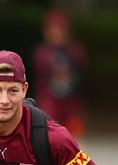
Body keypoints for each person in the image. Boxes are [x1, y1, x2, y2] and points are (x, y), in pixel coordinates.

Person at [32, 9, 87, 137]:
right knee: (50, 136)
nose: (57, 34)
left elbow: (82, 74)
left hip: (72, 103)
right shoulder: (42, 53)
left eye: (60, 31)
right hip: (50, 102)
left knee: (74, 139)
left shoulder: (76, 51)